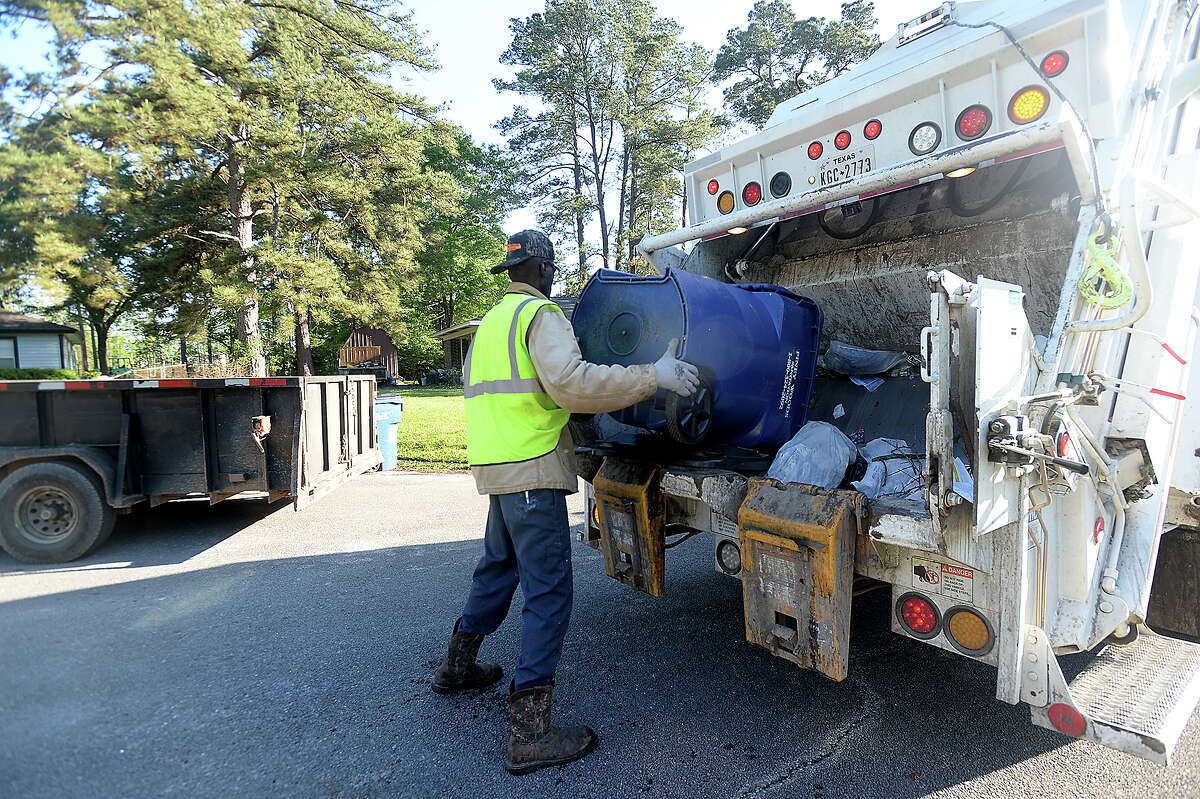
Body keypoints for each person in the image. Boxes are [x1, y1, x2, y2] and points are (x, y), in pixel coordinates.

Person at [431, 229, 700, 775]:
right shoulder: (541, 316)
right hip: (532, 469)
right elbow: (571, 384)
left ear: (509, 270)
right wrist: (655, 377)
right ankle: (530, 731)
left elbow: (516, 393)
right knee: (549, 591)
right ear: (547, 268)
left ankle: (458, 665)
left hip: (497, 467)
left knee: (498, 568)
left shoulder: (490, 326)